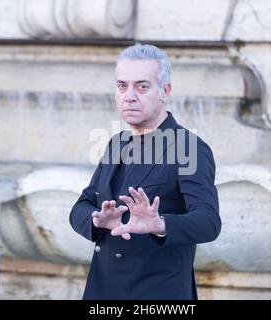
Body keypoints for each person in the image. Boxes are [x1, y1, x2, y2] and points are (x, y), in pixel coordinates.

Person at [69, 43, 221, 300]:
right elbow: (81, 205)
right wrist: (97, 220)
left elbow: (209, 222)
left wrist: (160, 225)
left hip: (158, 294)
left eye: (142, 86)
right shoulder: (116, 143)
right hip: (103, 290)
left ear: (165, 91)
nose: (129, 95)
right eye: (121, 86)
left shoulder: (189, 147)